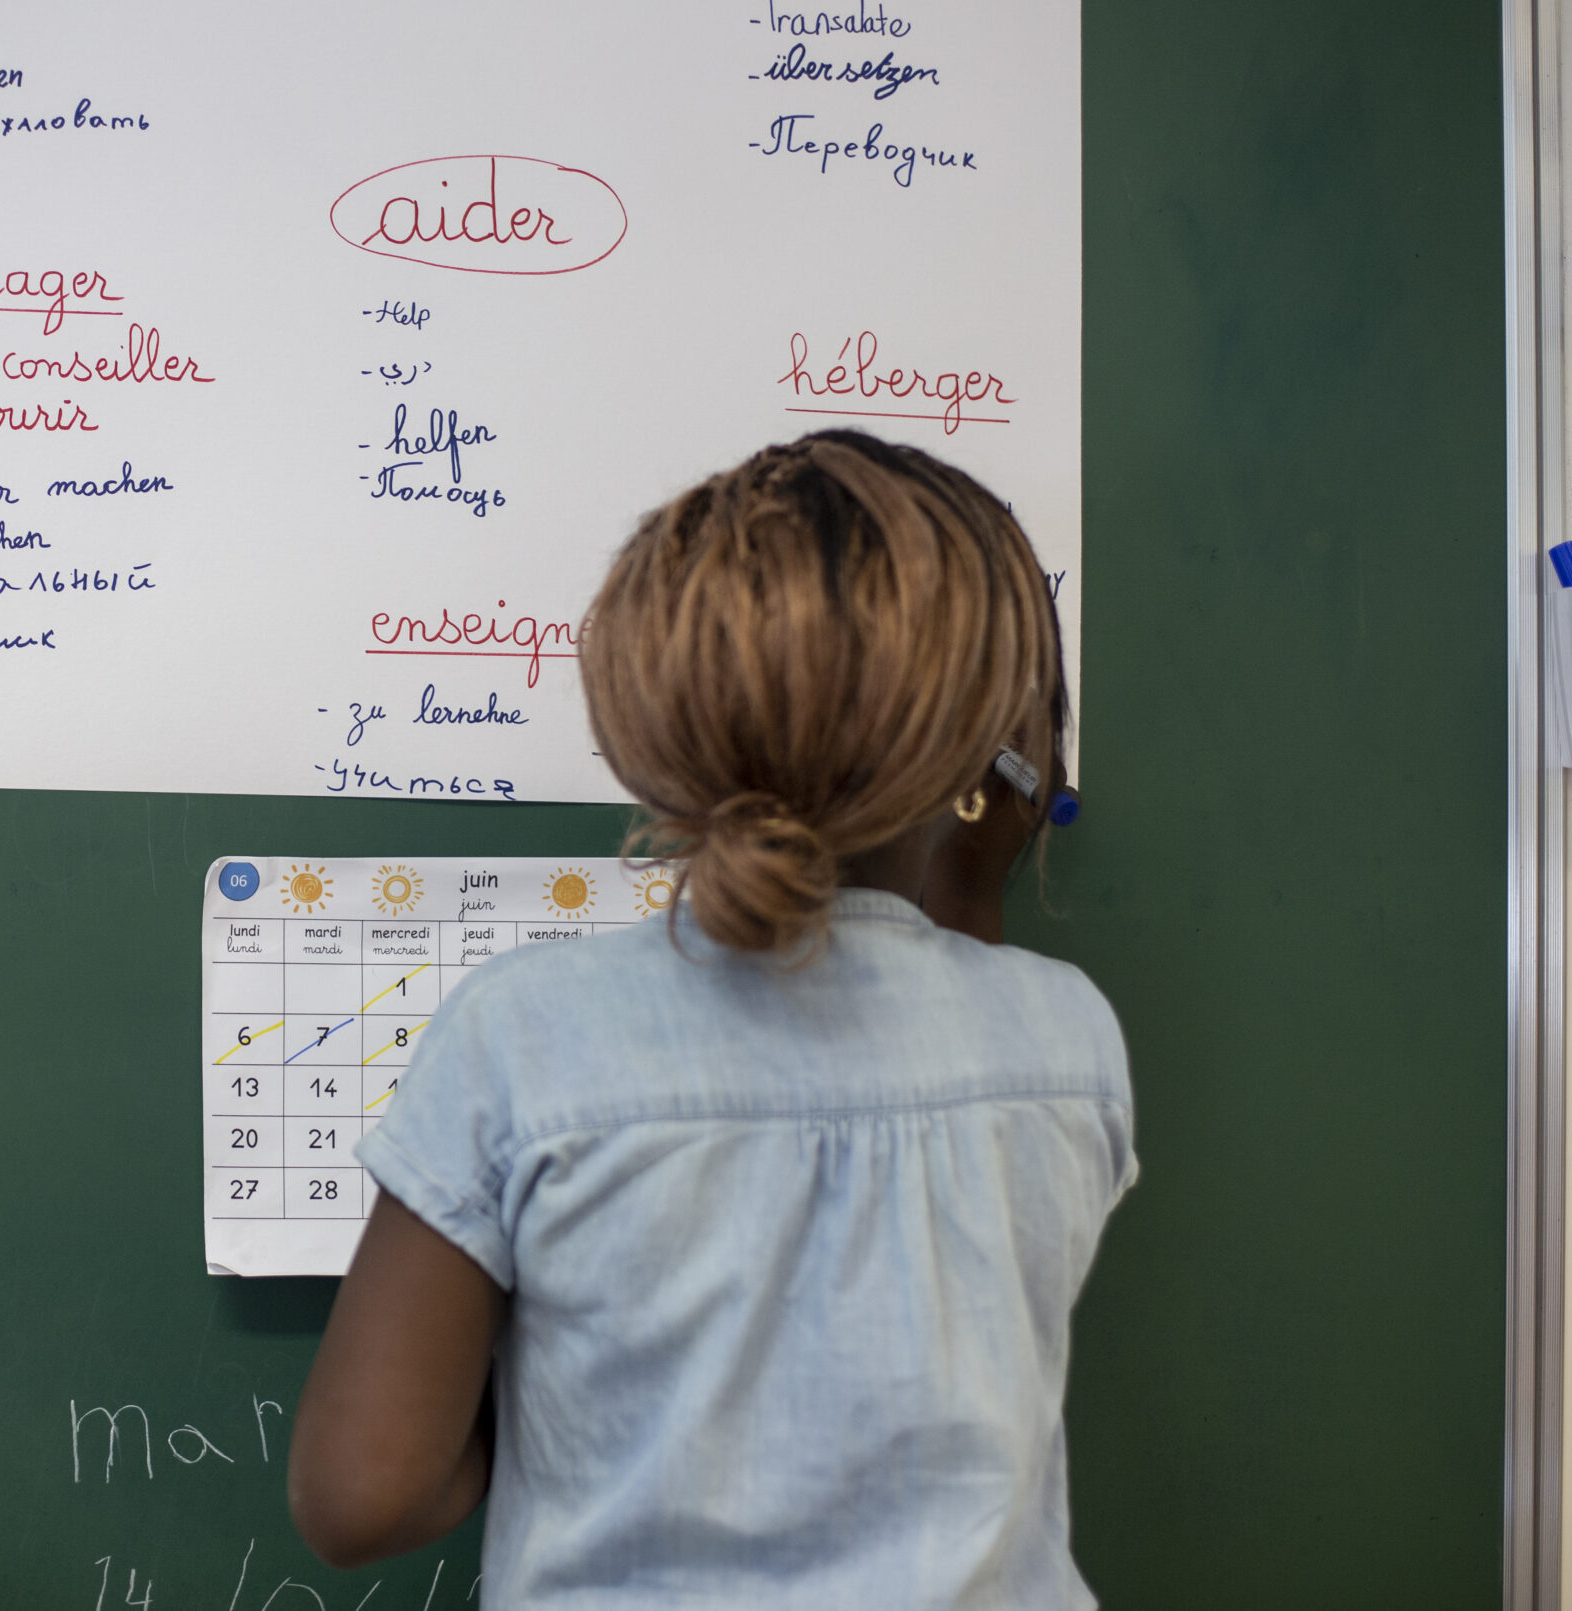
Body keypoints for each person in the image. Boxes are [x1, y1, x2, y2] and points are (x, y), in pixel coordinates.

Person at [286, 431, 1136, 1608]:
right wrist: (975, 877)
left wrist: (561, 1418)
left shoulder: (525, 1037)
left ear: (646, 720)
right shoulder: (1068, 1042)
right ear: (996, 752)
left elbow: (361, 1495)